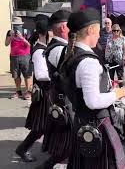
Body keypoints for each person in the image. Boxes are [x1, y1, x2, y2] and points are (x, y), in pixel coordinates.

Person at [59, 8, 125, 169]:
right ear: (91, 30)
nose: (100, 35)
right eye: (98, 31)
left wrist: (107, 87)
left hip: (83, 121)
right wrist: (119, 92)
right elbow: (92, 101)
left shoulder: (71, 53)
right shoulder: (88, 62)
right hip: (96, 123)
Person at [40, 10, 73, 169]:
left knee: (64, 135)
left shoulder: (61, 46)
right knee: (66, 137)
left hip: (61, 96)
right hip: (62, 98)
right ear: (63, 27)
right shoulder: (58, 49)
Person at [15, 18, 50, 163]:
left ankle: (49, 146)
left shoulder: (42, 48)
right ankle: (22, 149)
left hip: (46, 92)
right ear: (45, 33)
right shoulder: (39, 50)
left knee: (49, 123)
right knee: (40, 126)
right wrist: (59, 74)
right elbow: (41, 75)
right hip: (42, 93)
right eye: (51, 31)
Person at [5, 17, 32, 100]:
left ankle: (28, 92)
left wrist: (22, 38)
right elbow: (6, 44)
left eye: (18, 25)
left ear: (21, 24)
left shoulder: (26, 31)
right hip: (14, 57)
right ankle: (18, 91)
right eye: (15, 25)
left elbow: (30, 45)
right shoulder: (10, 32)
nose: (16, 27)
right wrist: (10, 37)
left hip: (25, 56)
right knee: (16, 75)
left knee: (27, 75)